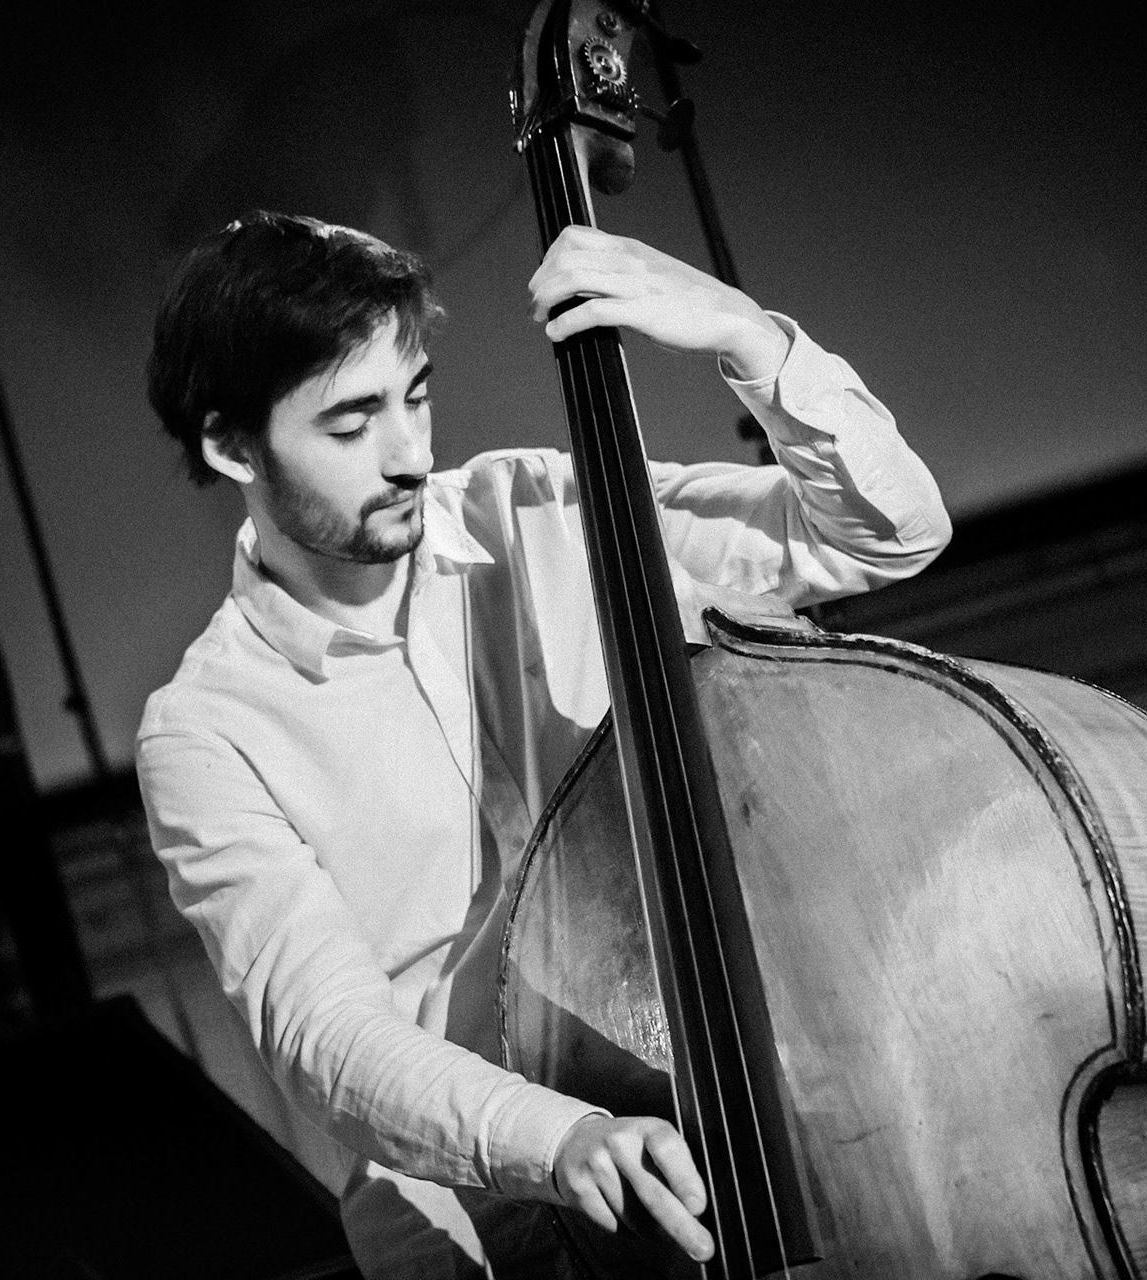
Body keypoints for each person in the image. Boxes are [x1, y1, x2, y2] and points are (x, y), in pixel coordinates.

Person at [135, 210, 950, 1278]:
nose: (407, 453)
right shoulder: (206, 731)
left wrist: (750, 339)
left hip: (725, 1097)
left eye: (413, 394)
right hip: (483, 1212)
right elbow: (325, 1039)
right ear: (230, 443)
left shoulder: (539, 505)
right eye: (349, 423)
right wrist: (556, 1136)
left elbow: (883, 533)